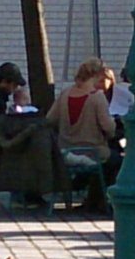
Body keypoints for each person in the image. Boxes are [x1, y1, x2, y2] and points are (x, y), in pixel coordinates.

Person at [46, 57, 117, 212]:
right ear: (97, 75)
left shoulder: (65, 95)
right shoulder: (97, 97)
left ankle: (90, 199)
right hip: (93, 152)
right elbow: (109, 128)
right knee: (116, 161)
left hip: (65, 151)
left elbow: (50, 119)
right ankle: (98, 201)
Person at [0, 87, 69, 206]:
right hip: (35, 168)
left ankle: (18, 197)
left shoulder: (5, 121)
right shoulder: (38, 122)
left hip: (11, 168)